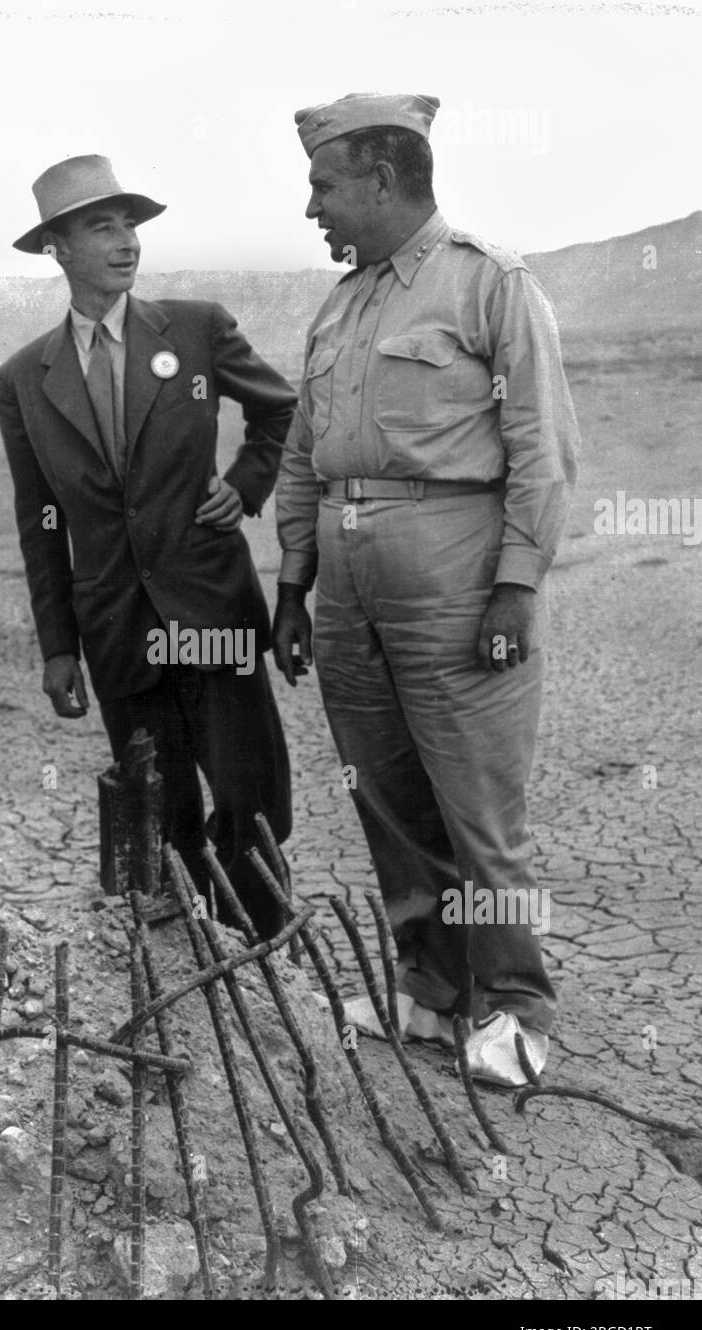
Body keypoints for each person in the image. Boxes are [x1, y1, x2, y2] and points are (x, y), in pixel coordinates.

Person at [272, 94, 579, 1085]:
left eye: (323, 186)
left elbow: (541, 443)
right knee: (388, 798)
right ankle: (437, 994)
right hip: (348, 592)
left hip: (455, 579)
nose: (312, 206)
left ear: (382, 179)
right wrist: (292, 579)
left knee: (479, 803)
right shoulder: (341, 304)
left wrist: (515, 587)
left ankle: (518, 1011)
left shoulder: (489, 283)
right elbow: (302, 452)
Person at [0, 155, 297, 937]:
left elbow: (281, 414)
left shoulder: (195, 328)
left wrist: (246, 482)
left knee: (250, 807)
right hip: (117, 633)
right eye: (101, 226)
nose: (126, 239)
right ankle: (185, 979)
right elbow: (40, 519)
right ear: (56, 248)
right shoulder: (24, 377)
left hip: (212, 608)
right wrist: (58, 645)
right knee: (158, 820)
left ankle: (264, 969)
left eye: (129, 223)